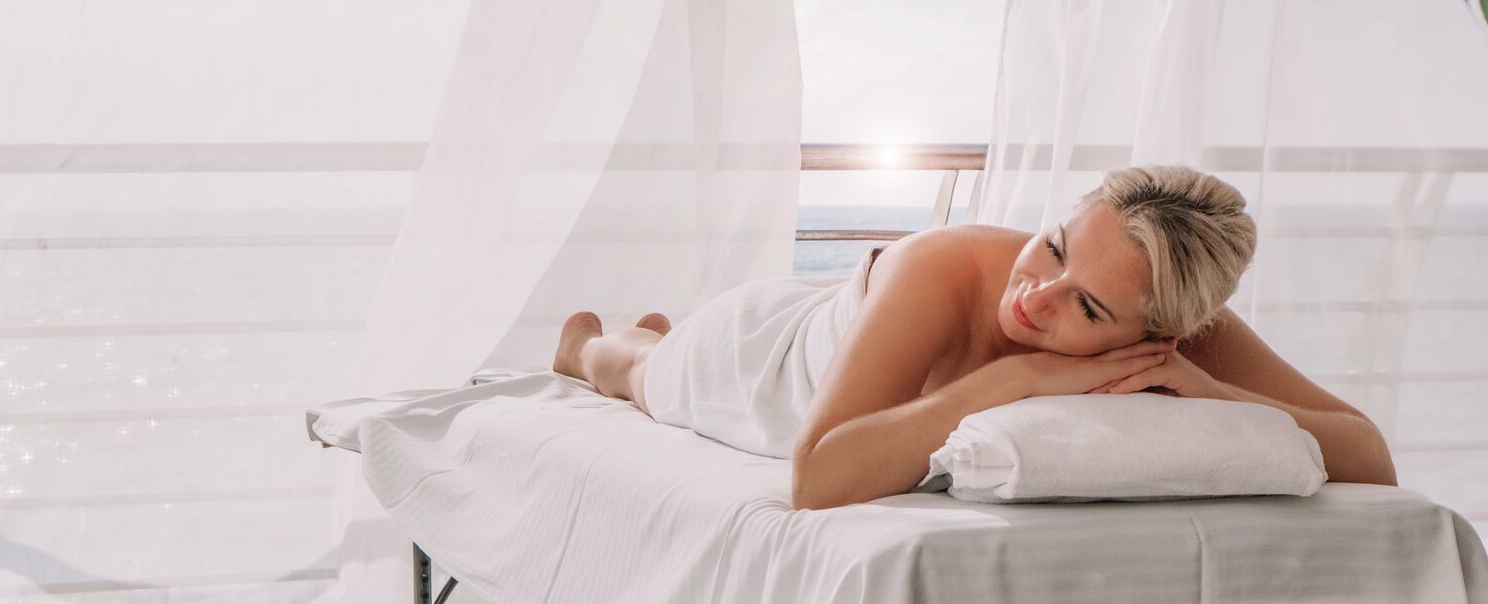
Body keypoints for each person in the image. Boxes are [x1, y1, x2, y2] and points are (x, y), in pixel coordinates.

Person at [551, 165, 1397, 510]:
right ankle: (594, 344)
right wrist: (1013, 381)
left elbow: (1368, 453)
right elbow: (818, 478)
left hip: (860, 335)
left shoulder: (1182, 323)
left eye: (1087, 308)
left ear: (1166, 330)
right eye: (1054, 247)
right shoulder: (946, 267)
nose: (1035, 296)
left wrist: (1214, 393)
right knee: (642, 371)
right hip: (767, 356)